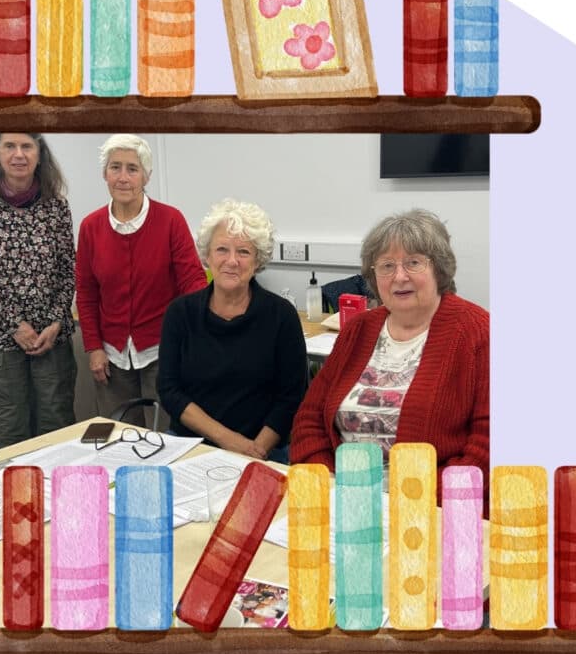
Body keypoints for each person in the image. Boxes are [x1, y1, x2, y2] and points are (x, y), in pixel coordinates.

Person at [289, 208, 489, 504]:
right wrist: (326, 479)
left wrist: (412, 499)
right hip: (344, 497)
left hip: (431, 505)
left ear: (439, 268)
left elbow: (487, 447)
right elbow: (310, 418)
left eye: (414, 263)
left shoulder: (478, 332)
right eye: (386, 265)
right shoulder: (358, 329)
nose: (399, 276)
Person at [158, 199, 307, 458]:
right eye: (222, 249)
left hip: (263, 449)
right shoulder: (180, 313)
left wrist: (255, 450)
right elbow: (169, 390)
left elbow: (292, 398)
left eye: (244, 252)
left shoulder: (281, 316)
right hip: (192, 446)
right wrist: (228, 441)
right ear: (207, 256)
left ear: (258, 260)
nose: (232, 261)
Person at [75, 134, 207, 427]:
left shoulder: (170, 220)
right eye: (115, 167)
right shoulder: (90, 227)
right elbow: (86, 292)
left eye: (132, 169)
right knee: (117, 436)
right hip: (112, 356)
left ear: (146, 176)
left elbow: (193, 283)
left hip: (163, 351)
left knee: (167, 434)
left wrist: (195, 337)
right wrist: (94, 347)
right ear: (105, 174)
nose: (123, 177)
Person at [0, 133, 76, 447]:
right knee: (6, 438)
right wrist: (14, 325)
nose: (19, 154)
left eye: (27, 146)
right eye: (9, 146)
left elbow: (68, 270)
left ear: (40, 154)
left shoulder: (56, 207)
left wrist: (56, 322)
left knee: (57, 435)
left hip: (51, 342)